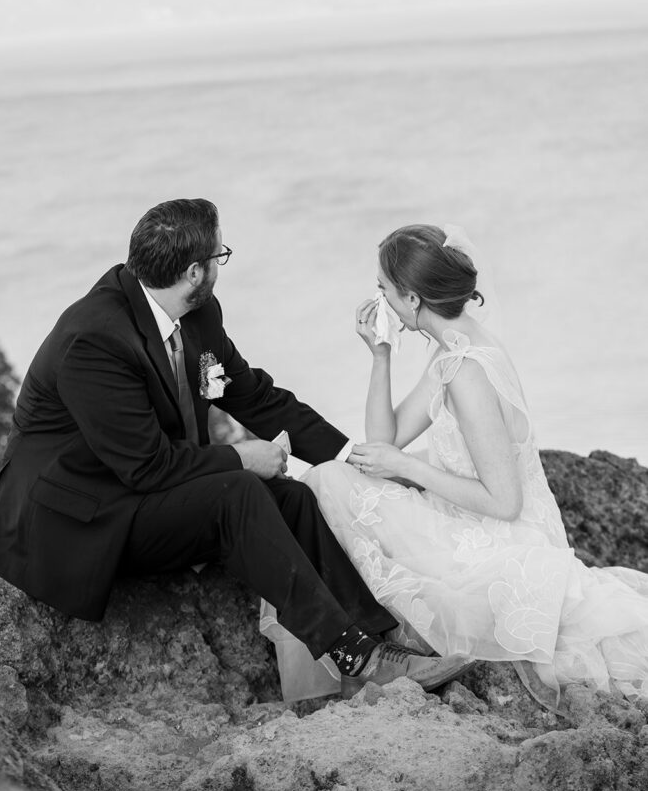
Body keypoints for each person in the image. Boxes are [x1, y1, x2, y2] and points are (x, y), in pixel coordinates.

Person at [0, 199, 471, 697]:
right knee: (237, 493)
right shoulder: (95, 339)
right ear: (195, 272)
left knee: (293, 497)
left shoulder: (195, 314)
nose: (222, 265)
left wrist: (356, 458)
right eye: (220, 256)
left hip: (136, 488)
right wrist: (244, 457)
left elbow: (255, 397)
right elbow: (146, 467)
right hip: (79, 521)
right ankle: (354, 656)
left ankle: (377, 638)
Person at [264, 223, 648, 704]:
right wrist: (381, 356)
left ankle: (359, 650)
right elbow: (385, 440)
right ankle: (360, 645)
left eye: (383, 289)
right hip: (466, 519)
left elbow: (505, 503)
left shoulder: (468, 370)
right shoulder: (452, 349)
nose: (379, 299)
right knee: (327, 480)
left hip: (496, 540)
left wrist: (409, 469)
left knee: (325, 482)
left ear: (411, 298)